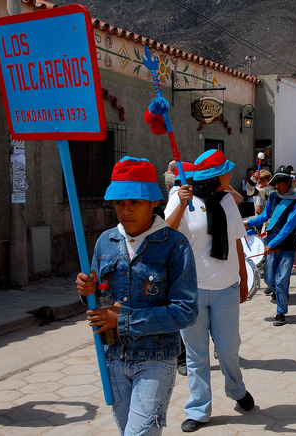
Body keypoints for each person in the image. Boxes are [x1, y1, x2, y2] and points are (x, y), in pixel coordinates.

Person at [75, 156, 199, 436]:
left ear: (153, 202)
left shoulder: (174, 246)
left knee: (138, 434)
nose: (125, 210)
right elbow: (96, 299)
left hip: (156, 358)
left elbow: (186, 311)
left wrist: (123, 320)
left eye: (134, 202)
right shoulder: (105, 242)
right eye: (120, 203)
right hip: (112, 357)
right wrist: (86, 291)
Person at [164, 150, 255, 433]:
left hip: (226, 288)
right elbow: (165, 234)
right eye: (228, 171)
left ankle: (236, 390)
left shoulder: (228, 200)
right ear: (217, 177)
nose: (232, 174)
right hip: (191, 290)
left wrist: (243, 276)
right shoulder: (181, 198)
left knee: (229, 349)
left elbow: (238, 240)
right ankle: (199, 408)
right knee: (196, 354)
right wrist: (180, 204)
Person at [246, 167, 296, 326]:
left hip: (286, 246)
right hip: (271, 243)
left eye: (279, 183)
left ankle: (281, 312)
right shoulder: (273, 196)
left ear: (288, 183)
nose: (277, 186)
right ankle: (283, 297)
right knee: (269, 278)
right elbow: (265, 216)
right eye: (275, 183)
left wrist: (271, 244)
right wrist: (249, 223)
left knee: (281, 280)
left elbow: (288, 227)